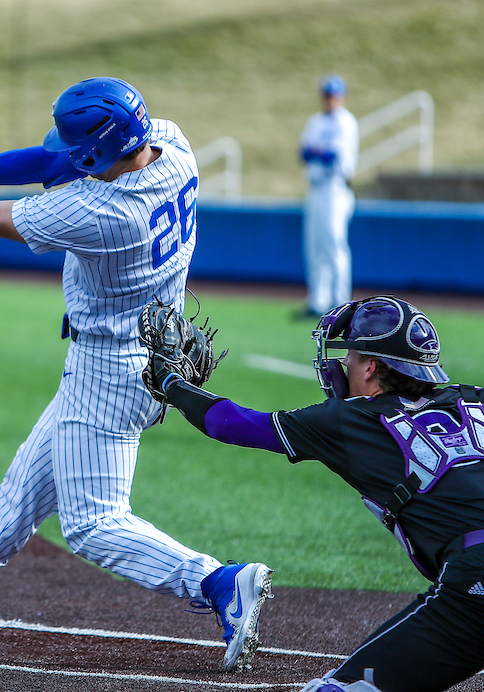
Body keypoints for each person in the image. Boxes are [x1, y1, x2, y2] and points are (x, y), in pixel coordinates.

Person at [0, 77, 273, 672]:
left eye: (83, 155)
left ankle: (219, 583)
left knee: (93, 523)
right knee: (27, 482)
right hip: (153, 353)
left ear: (103, 151)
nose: (70, 161)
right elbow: (49, 159)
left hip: (111, 371)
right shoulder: (174, 148)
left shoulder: (104, 212)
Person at [144, 295, 484, 692]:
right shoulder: (474, 397)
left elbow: (229, 423)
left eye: (351, 357)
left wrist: (171, 382)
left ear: (372, 367)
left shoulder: (350, 419)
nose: (342, 366)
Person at [298, 74, 358, 319]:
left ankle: (341, 302)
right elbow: (303, 152)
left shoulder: (346, 122)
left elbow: (334, 156)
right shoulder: (316, 121)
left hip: (336, 187)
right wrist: (318, 152)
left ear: (341, 97)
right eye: (327, 95)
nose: (330, 99)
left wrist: (317, 151)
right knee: (315, 245)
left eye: (334, 95)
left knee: (334, 243)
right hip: (316, 187)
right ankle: (317, 301)